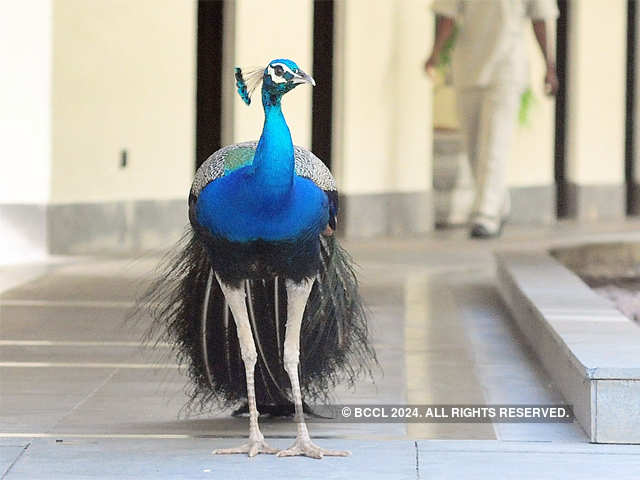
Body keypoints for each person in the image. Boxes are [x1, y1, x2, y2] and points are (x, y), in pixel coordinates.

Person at [426, 0, 559, 238]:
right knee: (474, 146)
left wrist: (549, 66)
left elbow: (540, 19)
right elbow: (447, 14)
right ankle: (499, 203)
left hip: (507, 68)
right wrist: (435, 53)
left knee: (495, 143)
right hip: (468, 66)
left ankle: (485, 215)